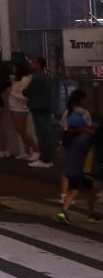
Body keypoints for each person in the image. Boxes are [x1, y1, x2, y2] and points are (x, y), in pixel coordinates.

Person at [57, 90, 98, 223]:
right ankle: (92, 214)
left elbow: (63, 128)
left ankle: (64, 211)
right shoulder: (83, 138)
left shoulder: (67, 115)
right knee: (88, 190)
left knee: (74, 188)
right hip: (82, 167)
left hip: (71, 164)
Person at [25, 57, 58, 169]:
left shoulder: (37, 77)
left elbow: (27, 92)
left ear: (38, 64)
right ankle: (48, 158)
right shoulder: (48, 76)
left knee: (42, 133)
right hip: (46, 107)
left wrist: (26, 93)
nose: (31, 64)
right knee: (47, 133)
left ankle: (44, 159)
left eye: (33, 62)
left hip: (38, 107)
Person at [7, 64, 39, 161]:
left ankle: (36, 151)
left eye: (15, 66)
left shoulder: (25, 80)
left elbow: (24, 97)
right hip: (14, 107)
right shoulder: (18, 79)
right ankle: (27, 152)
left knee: (23, 131)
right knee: (21, 132)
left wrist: (11, 93)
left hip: (20, 109)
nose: (13, 68)